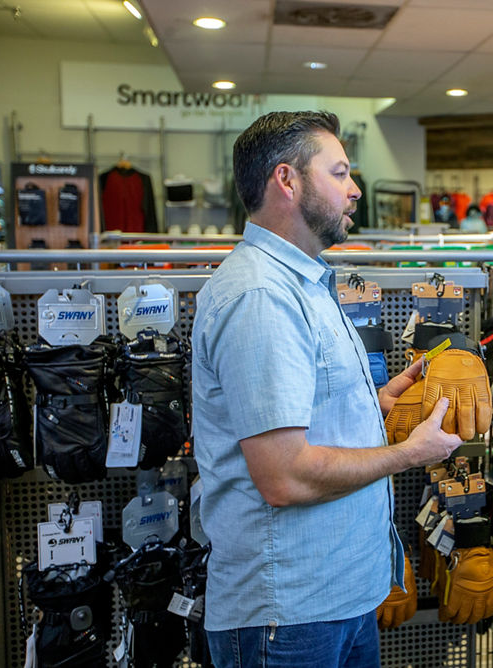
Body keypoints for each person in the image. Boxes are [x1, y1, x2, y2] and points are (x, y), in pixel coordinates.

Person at [191, 110, 462, 668]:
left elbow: (303, 411)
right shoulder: (262, 297)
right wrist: (409, 454)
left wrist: (374, 404)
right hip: (288, 615)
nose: (355, 189)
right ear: (287, 181)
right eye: (339, 173)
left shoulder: (306, 280)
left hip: (337, 598)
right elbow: (284, 476)